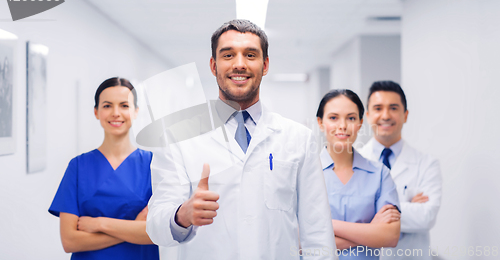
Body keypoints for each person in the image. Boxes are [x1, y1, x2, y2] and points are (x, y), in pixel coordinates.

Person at [146, 19, 336, 260]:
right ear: (213, 66)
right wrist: (182, 215)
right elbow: (155, 226)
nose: (239, 64)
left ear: (265, 65)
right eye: (228, 55)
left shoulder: (298, 139)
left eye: (250, 55)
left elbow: (317, 232)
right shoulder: (177, 137)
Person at [48, 77, 159, 260]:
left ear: (136, 111)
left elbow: (154, 234)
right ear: (96, 112)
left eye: (124, 105)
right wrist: (132, 228)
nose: (116, 113)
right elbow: (70, 241)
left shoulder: (153, 165)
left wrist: (100, 224)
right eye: (107, 106)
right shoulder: (78, 167)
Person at [358, 81, 442, 260]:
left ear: (405, 115)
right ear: (367, 115)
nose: (386, 115)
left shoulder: (427, 164)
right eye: (378, 108)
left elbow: (427, 217)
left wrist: (371, 210)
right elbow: (347, 218)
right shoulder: (353, 161)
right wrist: (407, 205)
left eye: (393, 108)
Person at [316, 89, 401, 259]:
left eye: (351, 118)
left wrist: (324, 225)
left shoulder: (380, 174)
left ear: (361, 123)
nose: (342, 126)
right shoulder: (304, 173)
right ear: (320, 122)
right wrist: (369, 232)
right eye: (333, 118)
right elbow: (297, 239)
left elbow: (390, 236)